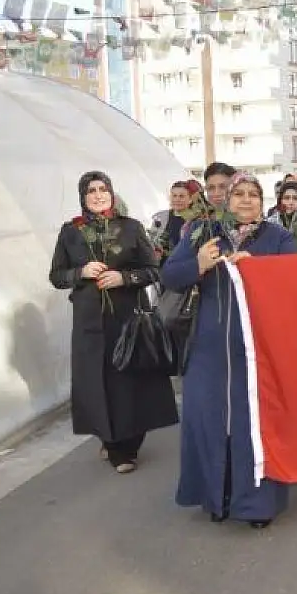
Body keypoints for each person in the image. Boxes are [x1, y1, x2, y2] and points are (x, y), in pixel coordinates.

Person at [162, 171, 297, 528]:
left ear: (262, 201)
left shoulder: (278, 237)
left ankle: (256, 506)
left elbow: (296, 279)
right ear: (227, 198)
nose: (246, 200)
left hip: (258, 351)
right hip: (208, 350)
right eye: (239, 193)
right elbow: (170, 275)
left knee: (253, 424)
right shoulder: (203, 234)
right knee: (209, 423)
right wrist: (199, 264)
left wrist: (259, 269)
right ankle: (215, 499)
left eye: (253, 194)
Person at [49, 171, 179, 474]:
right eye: (91, 190)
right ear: (83, 197)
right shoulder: (71, 232)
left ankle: (127, 447)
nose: (98, 195)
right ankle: (110, 439)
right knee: (97, 382)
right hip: (90, 323)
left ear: (111, 193)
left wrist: (124, 277)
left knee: (129, 382)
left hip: (128, 318)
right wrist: (80, 273)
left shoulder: (131, 228)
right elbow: (56, 276)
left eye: (103, 189)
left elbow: (153, 270)